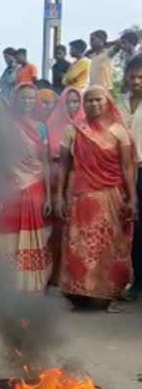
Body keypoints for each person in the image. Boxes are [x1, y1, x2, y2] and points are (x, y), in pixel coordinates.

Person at [56, 87, 136, 312]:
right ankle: (78, 295)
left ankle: (107, 296)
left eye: (97, 99)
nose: (93, 104)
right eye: (88, 101)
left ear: (107, 101)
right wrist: (59, 195)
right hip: (83, 198)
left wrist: (132, 197)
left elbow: (127, 167)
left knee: (110, 247)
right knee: (79, 247)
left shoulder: (120, 131)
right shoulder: (73, 130)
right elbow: (63, 165)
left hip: (112, 197)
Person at [0, 84, 52, 293]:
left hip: (35, 188)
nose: (27, 102)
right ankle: (6, 286)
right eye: (23, 98)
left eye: (31, 99)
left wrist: (50, 197)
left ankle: (31, 286)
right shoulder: (3, 126)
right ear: (15, 100)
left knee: (34, 237)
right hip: (8, 189)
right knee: (6, 235)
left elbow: (45, 163)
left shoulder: (42, 128)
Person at [46, 88, 85, 286]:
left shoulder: (86, 126)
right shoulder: (52, 124)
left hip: (77, 180)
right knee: (53, 229)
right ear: (62, 104)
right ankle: (51, 275)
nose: (73, 106)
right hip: (52, 180)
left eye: (76, 102)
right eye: (69, 102)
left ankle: (70, 277)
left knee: (73, 229)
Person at [119, 56, 142, 297]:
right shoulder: (119, 104)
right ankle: (133, 281)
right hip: (123, 172)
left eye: (141, 77)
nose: (136, 82)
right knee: (129, 226)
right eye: (133, 76)